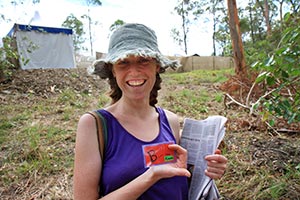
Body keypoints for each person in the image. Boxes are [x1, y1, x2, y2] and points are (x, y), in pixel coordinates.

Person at [73, 23, 227, 200]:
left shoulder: (170, 121)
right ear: (113, 71)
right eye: (123, 62)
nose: (134, 71)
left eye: (143, 60)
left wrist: (207, 169)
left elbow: (176, 177)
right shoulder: (95, 125)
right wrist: (151, 176)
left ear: (157, 66)